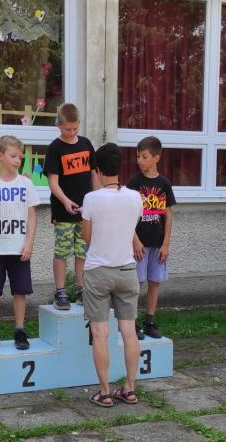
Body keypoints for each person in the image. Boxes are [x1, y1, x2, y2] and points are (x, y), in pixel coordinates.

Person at [80, 142, 143, 407]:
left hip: (98, 271)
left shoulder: (91, 199)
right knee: (129, 332)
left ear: (97, 170)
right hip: (127, 270)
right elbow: (131, 229)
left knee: (100, 333)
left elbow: (87, 238)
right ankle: (129, 388)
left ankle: (105, 392)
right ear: (120, 168)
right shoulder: (135, 197)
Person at [0, 136, 40, 351]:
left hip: (19, 247)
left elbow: (32, 215)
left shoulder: (26, 184)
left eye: (20, 157)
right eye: (13, 156)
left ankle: (19, 329)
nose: (17, 160)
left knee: (20, 290)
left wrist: (29, 242)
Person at [43, 103, 99, 310]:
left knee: (82, 252)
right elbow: (53, 182)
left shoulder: (86, 144)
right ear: (58, 125)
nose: (72, 132)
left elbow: (94, 174)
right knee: (62, 252)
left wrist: (95, 198)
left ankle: (81, 289)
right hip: (63, 212)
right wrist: (66, 201)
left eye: (76, 128)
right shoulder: (54, 148)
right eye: (68, 129)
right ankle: (61, 292)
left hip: (85, 212)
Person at [126, 136, 176, 339]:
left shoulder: (164, 183)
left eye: (144, 157)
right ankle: (132, 322)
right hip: (139, 245)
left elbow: (168, 215)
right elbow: (127, 214)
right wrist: (135, 241)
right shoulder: (134, 182)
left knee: (154, 282)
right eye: (138, 156)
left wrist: (166, 244)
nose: (140, 160)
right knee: (136, 284)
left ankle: (149, 321)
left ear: (156, 158)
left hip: (158, 244)